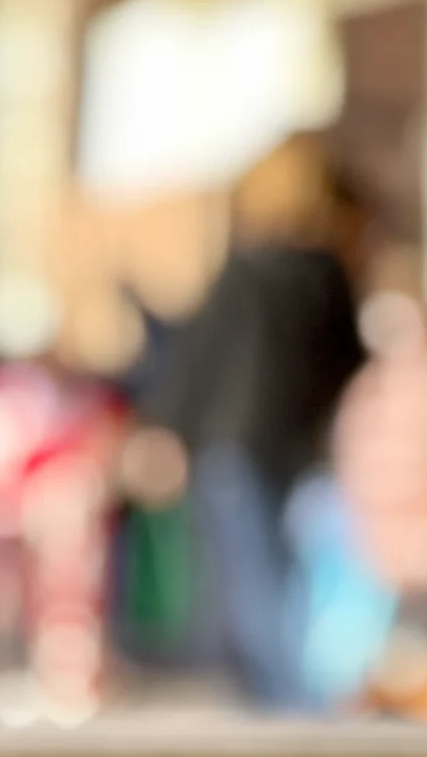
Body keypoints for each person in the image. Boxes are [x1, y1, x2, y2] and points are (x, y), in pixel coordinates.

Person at [143, 136, 366, 704]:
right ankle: (296, 696)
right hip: (300, 450)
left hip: (232, 445)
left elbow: (198, 359)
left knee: (251, 580)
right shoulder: (328, 273)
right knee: (291, 579)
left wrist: (168, 431)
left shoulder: (243, 272)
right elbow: (347, 367)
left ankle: (283, 699)